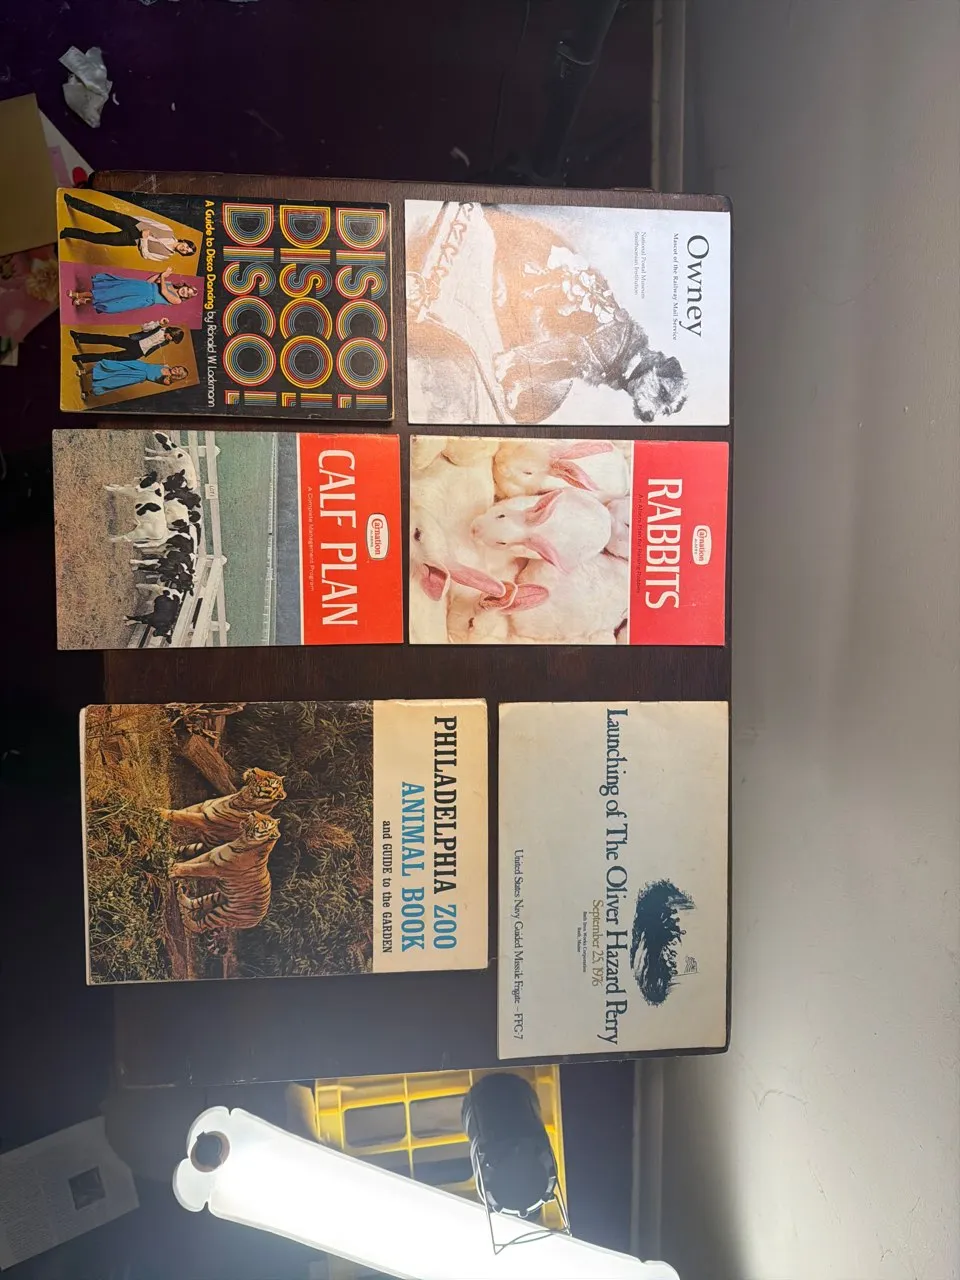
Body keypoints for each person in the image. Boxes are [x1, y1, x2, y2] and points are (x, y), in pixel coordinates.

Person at [59, 193, 196, 261]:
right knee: (102, 213)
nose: (184, 249)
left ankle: (68, 232)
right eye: (187, 246)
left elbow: (146, 255)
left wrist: (143, 239)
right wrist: (133, 220)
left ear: (183, 254)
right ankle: (72, 201)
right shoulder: (169, 231)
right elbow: (151, 221)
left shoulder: (166, 256)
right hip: (133, 223)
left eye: (186, 251)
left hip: (132, 239)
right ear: (185, 242)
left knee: (99, 239)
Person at [69, 267, 198, 312]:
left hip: (144, 299)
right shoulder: (169, 284)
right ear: (184, 286)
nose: (185, 292)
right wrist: (160, 274)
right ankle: (78, 295)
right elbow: (149, 282)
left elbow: (163, 292)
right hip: (141, 286)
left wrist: (163, 277)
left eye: (187, 294)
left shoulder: (177, 300)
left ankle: (84, 301)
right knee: (110, 292)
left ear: (185, 297)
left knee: (112, 304)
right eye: (187, 289)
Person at [73, 356, 189, 397]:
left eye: (178, 371)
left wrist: (168, 377)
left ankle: (88, 393)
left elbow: (156, 378)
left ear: (177, 376)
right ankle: (84, 372)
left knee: (113, 382)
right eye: (178, 367)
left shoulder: (167, 381)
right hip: (138, 365)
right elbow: (150, 366)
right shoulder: (166, 365)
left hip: (137, 376)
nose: (176, 369)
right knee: (110, 366)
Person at [71, 321, 185, 360]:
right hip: (133, 342)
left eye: (172, 340)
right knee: (107, 338)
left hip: (138, 353)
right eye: (172, 338)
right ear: (172, 332)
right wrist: (158, 323)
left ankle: (81, 358)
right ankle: (79, 336)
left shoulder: (165, 342)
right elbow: (144, 328)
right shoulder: (159, 327)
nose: (170, 340)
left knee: (109, 357)